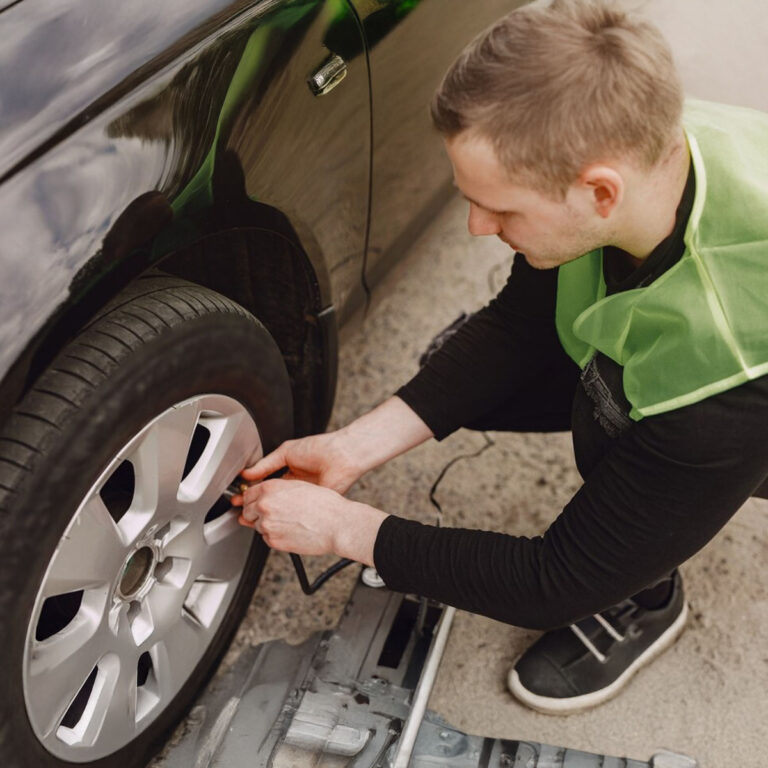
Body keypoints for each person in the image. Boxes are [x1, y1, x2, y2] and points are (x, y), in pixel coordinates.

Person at [231, 0, 768, 714]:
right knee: (466, 363)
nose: (478, 228)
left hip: (736, 397)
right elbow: (520, 319)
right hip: (690, 361)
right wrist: (355, 447)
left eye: (501, 210)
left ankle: (645, 596)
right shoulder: (640, 142)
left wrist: (342, 529)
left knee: (609, 416)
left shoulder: (722, 367)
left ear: (599, 191)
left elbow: (553, 580)